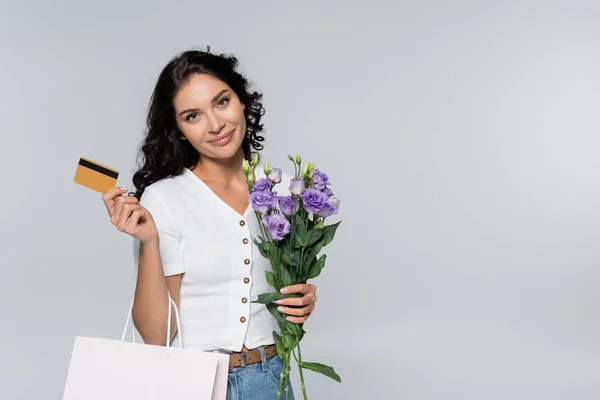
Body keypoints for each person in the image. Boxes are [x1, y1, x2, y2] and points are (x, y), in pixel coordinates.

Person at [101, 48, 318, 399]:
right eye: (193, 116)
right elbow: (156, 336)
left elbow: (280, 292)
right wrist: (150, 244)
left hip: (271, 376)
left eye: (221, 102)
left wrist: (301, 300)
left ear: (242, 100)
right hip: (194, 383)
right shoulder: (163, 198)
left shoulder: (282, 189)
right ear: (180, 131)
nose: (215, 125)